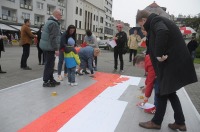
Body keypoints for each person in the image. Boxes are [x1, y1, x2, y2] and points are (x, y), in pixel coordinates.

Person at [136, 10, 197, 131]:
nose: (142, 27)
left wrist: (159, 54)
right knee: (169, 93)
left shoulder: (156, 21)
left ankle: (156, 122)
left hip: (171, 64)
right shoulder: (157, 21)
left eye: (141, 25)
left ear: (144, 20)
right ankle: (180, 122)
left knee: (161, 92)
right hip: (172, 64)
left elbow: (162, 32)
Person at [40, 9, 62, 87]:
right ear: (56, 15)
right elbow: (54, 37)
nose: (61, 16)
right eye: (60, 15)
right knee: (49, 65)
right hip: (50, 48)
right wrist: (56, 49)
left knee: (50, 64)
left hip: (47, 47)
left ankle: (51, 79)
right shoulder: (54, 24)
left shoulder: (49, 21)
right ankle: (46, 81)